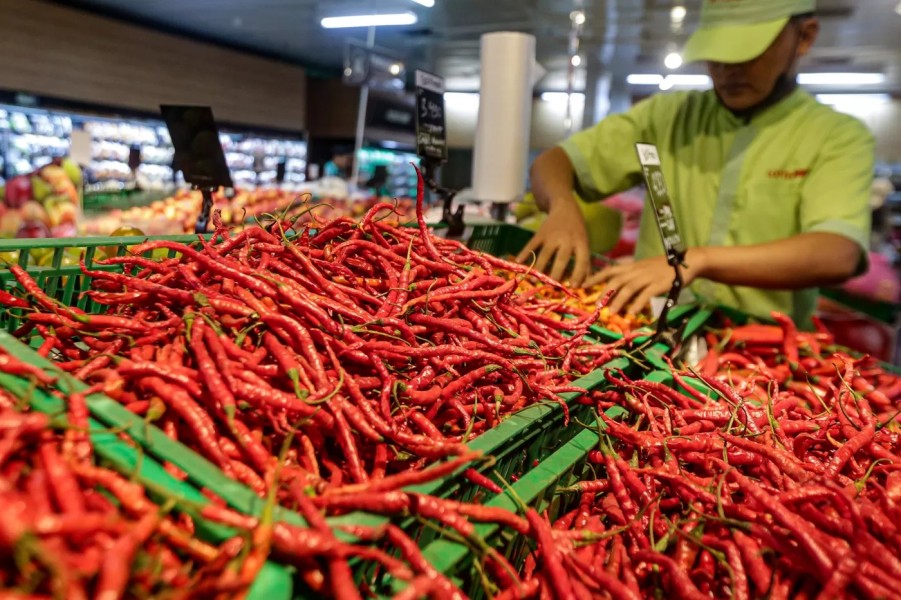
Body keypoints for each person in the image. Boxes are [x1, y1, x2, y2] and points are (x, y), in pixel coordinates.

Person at [517, 0, 874, 328]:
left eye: (749, 52)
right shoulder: (665, 117)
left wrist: (698, 259)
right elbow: (556, 162)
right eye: (717, 54)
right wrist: (562, 206)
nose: (729, 69)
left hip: (758, 350)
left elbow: (837, 253)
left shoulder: (837, 136)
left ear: (805, 37)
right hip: (647, 332)